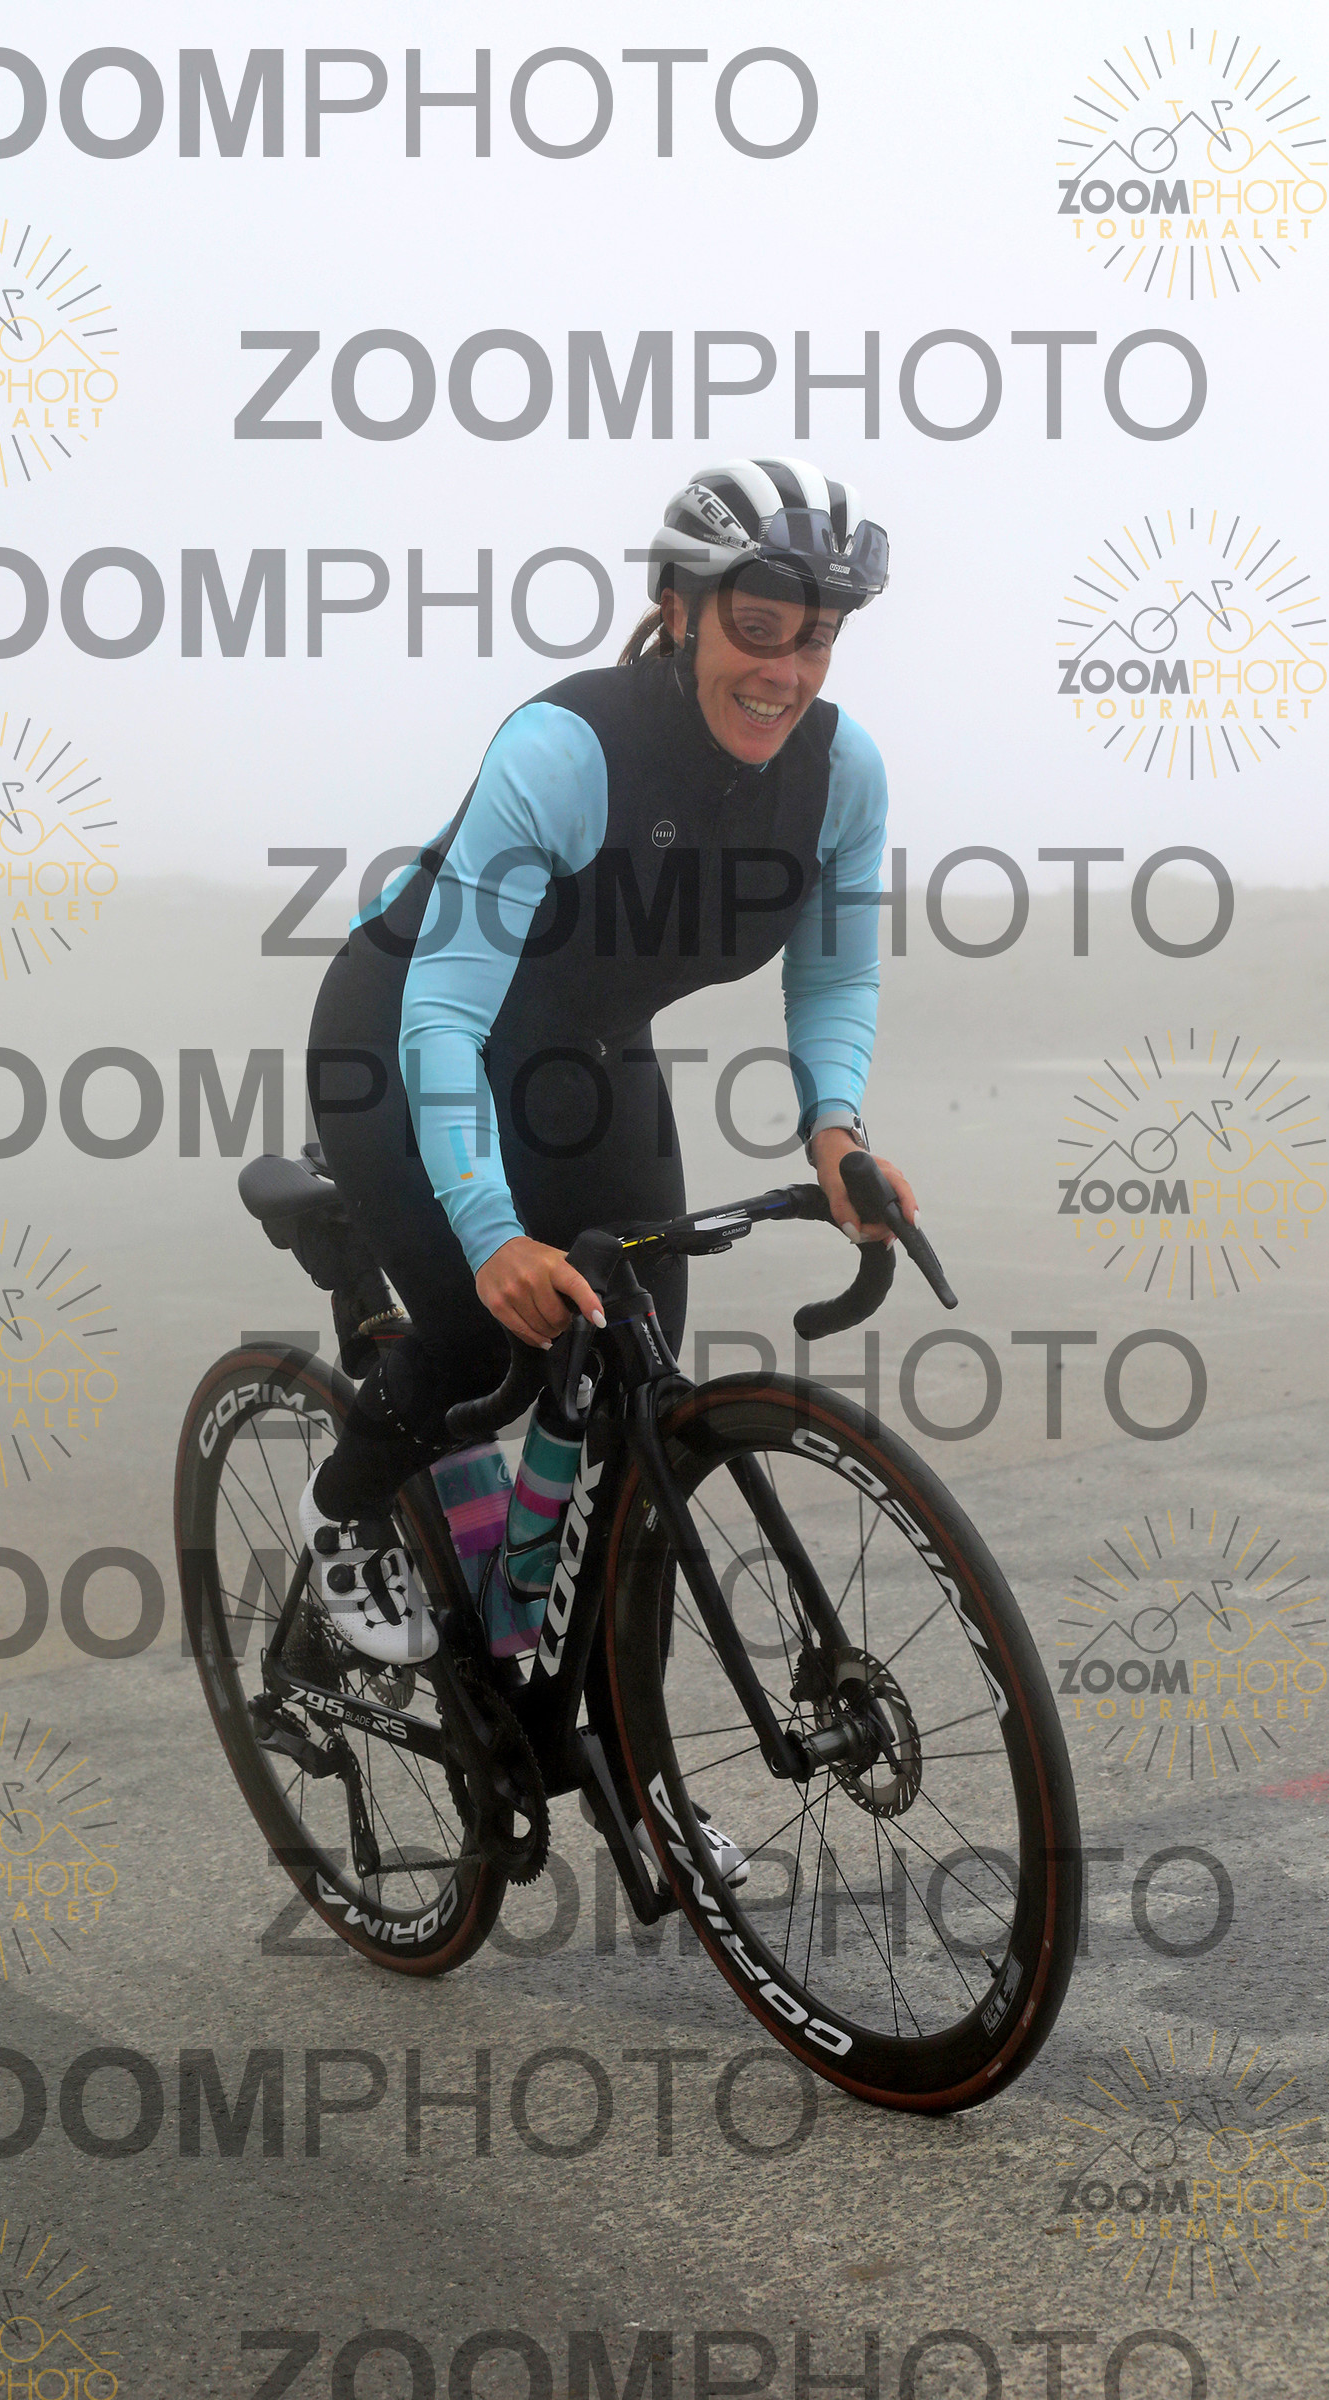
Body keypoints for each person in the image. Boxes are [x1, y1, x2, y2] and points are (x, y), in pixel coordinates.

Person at [304, 457, 917, 1704]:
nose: (787, 671)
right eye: (758, 629)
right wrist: (491, 1235)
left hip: (584, 1054)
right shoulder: (569, 750)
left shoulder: (840, 776)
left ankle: (566, 1698)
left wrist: (835, 1133)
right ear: (679, 609)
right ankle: (342, 1514)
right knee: (483, 1337)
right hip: (400, 1035)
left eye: (816, 640)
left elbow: (834, 976)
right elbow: (444, 1014)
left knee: (632, 1369)